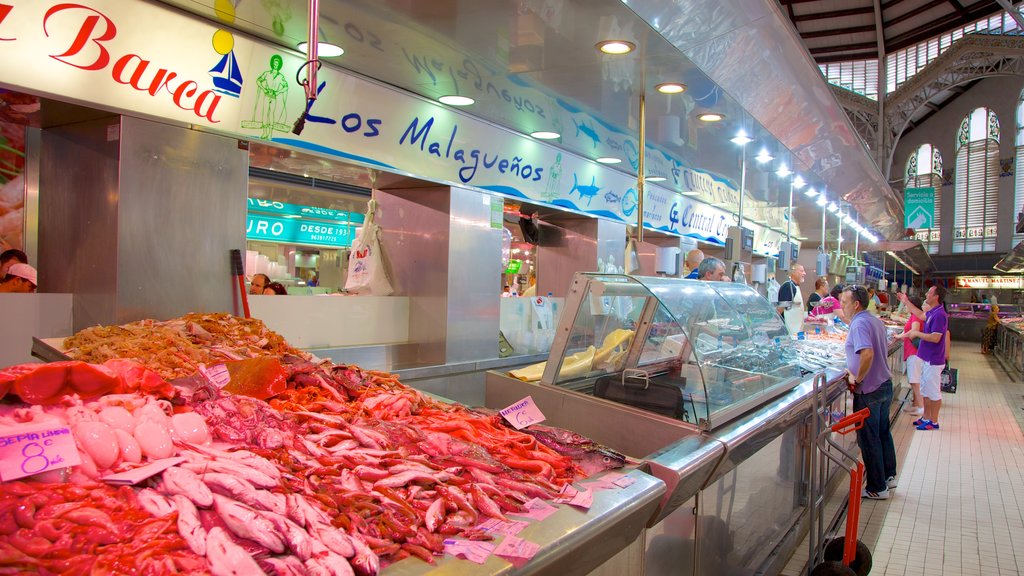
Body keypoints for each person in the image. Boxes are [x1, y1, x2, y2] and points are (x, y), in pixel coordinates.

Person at [840, 285, 897, 500]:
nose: (842, 306)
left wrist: (857, 378)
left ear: (856, 304)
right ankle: (888, 476)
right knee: (883, 433)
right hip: (884, 384)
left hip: (870, 390)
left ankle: (876, 487)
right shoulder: (873, 319)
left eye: (844, 302)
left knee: (869, 439)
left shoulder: (859, 323)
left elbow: (867, 354)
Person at [895, 285, 948, 431]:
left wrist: (917, 334)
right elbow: (919, 315)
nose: (926, 294)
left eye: (929, 292)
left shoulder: (939, 315)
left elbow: (936, 338)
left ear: (936, 296)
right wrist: (906, 301)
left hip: (934, 360)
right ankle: (925, 417)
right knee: (925, 390)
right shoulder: (933, 312)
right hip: (926, 358)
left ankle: (934, 421)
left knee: (933, 392)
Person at [900, 296, 925, 416]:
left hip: (914, 352)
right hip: (913, 352)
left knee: (915, 380)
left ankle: (921, 407)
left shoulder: (916, 316)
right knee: (914, 380)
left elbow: (914, 331)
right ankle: (916, 405)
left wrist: (900, 336)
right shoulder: (915, 315)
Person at [777, 264, 806, 335]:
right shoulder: (788, 286)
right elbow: (780, 310)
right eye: (802, 271)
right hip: (788, 331)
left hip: (796, 330)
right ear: (793, 272)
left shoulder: (796, 287)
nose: (804, 273)